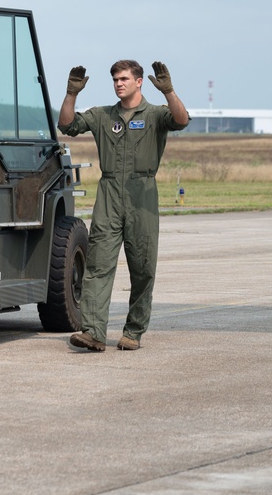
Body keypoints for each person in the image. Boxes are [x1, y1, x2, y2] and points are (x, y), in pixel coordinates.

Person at [58, 60, 189, 351]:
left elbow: (181, 120)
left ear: (139, 81)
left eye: (124, 78)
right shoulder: (103, 115)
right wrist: (71, 93)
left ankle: (133, 331)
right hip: (109, 194)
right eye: (115, 79)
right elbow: (67, 125)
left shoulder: (155, 114)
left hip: (142, 194)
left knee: (142, 267)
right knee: (98, 265)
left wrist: (169, 91)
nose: (119, 83)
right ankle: (93, 332)